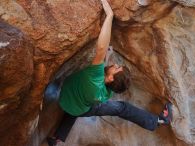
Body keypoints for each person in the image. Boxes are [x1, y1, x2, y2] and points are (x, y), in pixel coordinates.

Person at [45, 0, 172, 146]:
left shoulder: (94, 78)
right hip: (78, 107)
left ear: (110, 77)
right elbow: (102, 77)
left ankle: (161, 120)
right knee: (116, 109)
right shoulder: (106, 92)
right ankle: (157, 121)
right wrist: (108, 58)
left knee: (120, 107)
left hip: (65, 96)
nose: (115, 64)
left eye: (116, 67)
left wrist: (110, 15)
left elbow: (101, 47)